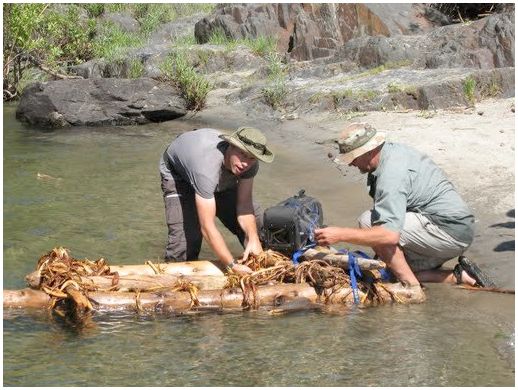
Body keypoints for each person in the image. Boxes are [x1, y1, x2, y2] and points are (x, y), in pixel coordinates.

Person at [315, 122, 495, 290]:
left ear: (368, 152)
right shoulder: (391, 153)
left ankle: (413, 290)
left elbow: (389, 236)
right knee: (393, 267)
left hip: (449, 230)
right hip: (455, 226)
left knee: (370, 224)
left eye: (352, 158)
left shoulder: (391, 175)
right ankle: (461, 277)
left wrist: (339, 234)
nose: (352, 164)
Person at [159, 126, 274, 276]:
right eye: (242, 154)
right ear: (230, 146)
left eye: (251, 158)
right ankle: (172, 282)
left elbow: (245, 206)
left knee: (258, 226)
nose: (245, 163)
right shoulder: (206, 168)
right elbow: (207, 227)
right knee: (186, 243)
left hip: (217, 172)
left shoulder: (249, 166)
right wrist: (231, 265)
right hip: (178, 175)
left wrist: (253, 238)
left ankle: (262, 267)